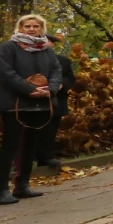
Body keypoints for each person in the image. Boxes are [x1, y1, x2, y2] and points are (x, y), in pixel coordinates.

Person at [0, 14, 62, 205]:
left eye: (36, 26)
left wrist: (51, 89)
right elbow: (6, 73)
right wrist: (29, 89)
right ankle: (2, 190)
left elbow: (56, 71)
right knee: (10, 146)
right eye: (27, 26)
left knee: (30, 146)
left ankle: (22, 185)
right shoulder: (9, 47)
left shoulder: (47, 50)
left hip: (39, 105)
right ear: (20, 28)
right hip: (14, 104)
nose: (32, 29)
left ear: (42, 29)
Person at [41, 33, 76, 168]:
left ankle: (47, 157)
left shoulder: (63, 61)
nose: (45, 43)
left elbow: (71, 78)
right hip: (37, 99)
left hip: (58, 100)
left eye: (48, 41)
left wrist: (62, 84)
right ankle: (33, 156)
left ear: (52, 44)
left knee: (52, 129)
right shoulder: (30, 59)